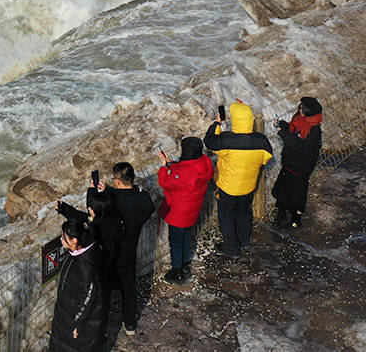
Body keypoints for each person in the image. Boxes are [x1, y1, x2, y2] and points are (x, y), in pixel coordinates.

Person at [204, 100, 272, 258]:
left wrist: (216, 124)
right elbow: (266, 157)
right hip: (248, 186)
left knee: (226, 216)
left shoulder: (227, 140)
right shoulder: (261, 141)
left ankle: (231, 248)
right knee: (243, 212)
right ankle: (244, 241)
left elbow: (209, 142)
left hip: (228, 187)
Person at [97, 162, 154, 336]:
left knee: (104, 288)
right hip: (130, 250)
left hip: (113, 251)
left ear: (119, 181)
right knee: (129, 288)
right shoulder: (143, 199)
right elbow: (137, 198)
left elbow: (108, 204)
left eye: (114, 180)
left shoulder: (116, 202)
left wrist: (103, 192)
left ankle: (101, 326)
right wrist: (110, 190)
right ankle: (130, 324)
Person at [57, 189, 125, 315]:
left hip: (101, 273)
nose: (89, 208)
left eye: (92, 207)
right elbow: (82, 217)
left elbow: (83, 219)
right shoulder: (110, 220)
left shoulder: (102, 230)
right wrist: (63, 208)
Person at [157, 136, 214, 283]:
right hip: (192, 211)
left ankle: (177, 272)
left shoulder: (184, 172)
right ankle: (185, 264)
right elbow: (186, 170)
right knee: (186, 238)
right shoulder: (204, 162)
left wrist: (164, 166)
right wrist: (173, 164)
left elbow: (165, 182)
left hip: (178, 215)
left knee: (176, 241)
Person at [49, 219, 107, 352]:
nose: (61, 239)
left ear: (74, 240)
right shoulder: (79, 252)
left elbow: (89, 295)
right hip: (66, 312)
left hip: (75, 320)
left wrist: (78, 323)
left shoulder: (86, 264)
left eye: (64, 237)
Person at [271, 97, 323, 230]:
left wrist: (282, 133)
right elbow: (293, 130)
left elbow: (300, 146)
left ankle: (296, 220)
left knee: (297, 193)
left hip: (301, 167)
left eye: (302, 108)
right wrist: (282, 125)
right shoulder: (300, 119)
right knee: (284, 188)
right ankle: (281, 213)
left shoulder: (314, 130)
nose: (300, 109)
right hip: (290, 162)